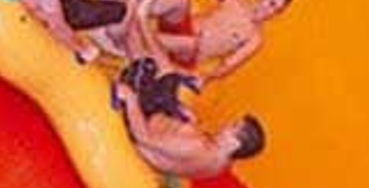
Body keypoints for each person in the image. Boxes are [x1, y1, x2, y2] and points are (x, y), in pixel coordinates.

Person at [111, 59, 266, 180]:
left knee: (146, 65)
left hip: (142, 127)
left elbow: (144, 138)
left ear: (234, 143)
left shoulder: (195, 146)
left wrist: (130, 98)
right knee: (172, 79)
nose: (226, 125)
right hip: (161, 122)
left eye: (233, 127)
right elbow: (188, 152)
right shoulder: (223, 162)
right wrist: (189, 123)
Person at [134, 0, 292, 82]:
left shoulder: (255, 38)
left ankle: (135, 38)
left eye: (276, 10)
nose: (270, 11)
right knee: (181, 0)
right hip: (181, 28)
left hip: (187, 55)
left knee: (192, 43)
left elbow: (227, 66)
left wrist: (202, 77)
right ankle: (134, 11)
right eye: (271, 3)